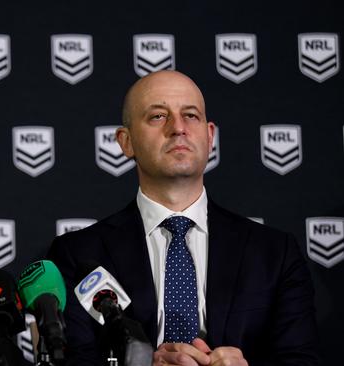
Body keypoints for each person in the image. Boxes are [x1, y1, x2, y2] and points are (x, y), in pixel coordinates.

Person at [47, 70, 318, 366]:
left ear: (209, 135)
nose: (178, 128)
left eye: (190, 115)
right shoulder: (78, 256)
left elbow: (300, 359)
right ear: (126, 142)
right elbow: (73, 360)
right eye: (157, 117)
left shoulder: (275, 253)